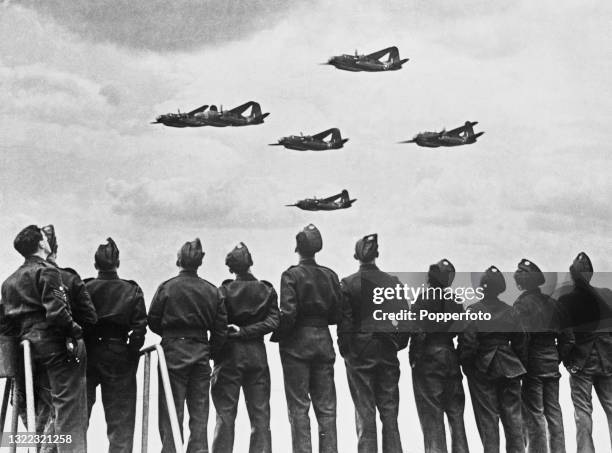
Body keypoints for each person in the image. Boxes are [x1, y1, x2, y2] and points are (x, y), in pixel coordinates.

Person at [0, 225, 88, 452]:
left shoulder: (8, 282)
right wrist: (75, 331)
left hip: (24, 351)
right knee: (67, 406)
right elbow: (57, 312)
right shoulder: (48, 271)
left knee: (31, 405)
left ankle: (40, 447)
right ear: (41, 243)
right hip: (51, 346)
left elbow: (6, 322)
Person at [148, 238, 227, 453]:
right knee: (200, 413)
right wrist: (211, 351)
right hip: (201, 352)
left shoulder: (166, 288)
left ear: (178, 260)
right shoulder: (212, 291)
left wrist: (171, 336)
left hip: (172, 353)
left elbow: (153, 320)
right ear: (199, 262)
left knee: (171, 412)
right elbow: (220, 330)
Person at [271, 224, 342, 453]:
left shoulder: (291, 275)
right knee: (327, 409)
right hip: (323, 343)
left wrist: (278, 336)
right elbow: (337, 314)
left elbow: (289, 314)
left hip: (296, 347)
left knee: (299, 408)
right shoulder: (330, 275)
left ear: (298, 248)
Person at [338, 234, 406, 453]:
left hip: (359, 354)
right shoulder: (392, 282)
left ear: (356, 255)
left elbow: (345, 324)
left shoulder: (347, 284)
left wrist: (347, 351)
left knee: (365, 414)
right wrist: (396, 344)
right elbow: (406, 322)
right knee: (390, 414)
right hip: (387, 351)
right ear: (377, 254)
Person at [211, 242, 279, 453]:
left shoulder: (222, 291)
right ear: (251, 262)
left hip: (229, 356)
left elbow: (218, 326)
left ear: (230, 268)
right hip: (257, 355)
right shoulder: (266, 290)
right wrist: (247, 332)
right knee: (260, 416)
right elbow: (273, 322)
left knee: (225, 415)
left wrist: (215, 354)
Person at [84, 237, 147, 453]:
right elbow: (139, 329)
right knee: (121, 421)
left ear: (95, 264)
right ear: (118, 263)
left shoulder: (85, 287)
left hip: (89, 354)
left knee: (79, 418)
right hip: (119, 353)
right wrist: (131, 352)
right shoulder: (132, 290)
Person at [459, 266, 528, 453]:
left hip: (483, 369)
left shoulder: (474, 310)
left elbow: (468, 344)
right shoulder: (511, 311)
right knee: (514, 418)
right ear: (501, 288)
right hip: (510, 367)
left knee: (488, 420)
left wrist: (469, 368)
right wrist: (518, 365)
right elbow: (521, 342)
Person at [409, 258, 469, 453]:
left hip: (428, 359)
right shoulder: (456, 302)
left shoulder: (422, 299)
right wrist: (460, 357)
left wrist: (415, 359)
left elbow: (416, 330)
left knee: (432, 418)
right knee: (457, 416)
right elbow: (466, 335)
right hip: (451, 357)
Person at [558, 252, 612, 453]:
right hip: (608, 359)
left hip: (581, 361)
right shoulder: (607, 294)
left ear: (572, 274)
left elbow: (566, 337)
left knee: (582, 412)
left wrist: (565, 360)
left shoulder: (565, 300)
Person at [513, 258, 566, 453]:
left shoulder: (521, 304)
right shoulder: (553, 303)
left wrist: (522, 364)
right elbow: (568, 337)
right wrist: (556, 357)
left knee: (534, 413)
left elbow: (522, 339)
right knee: (554, 412)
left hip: (532, 363)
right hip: (551, 362)